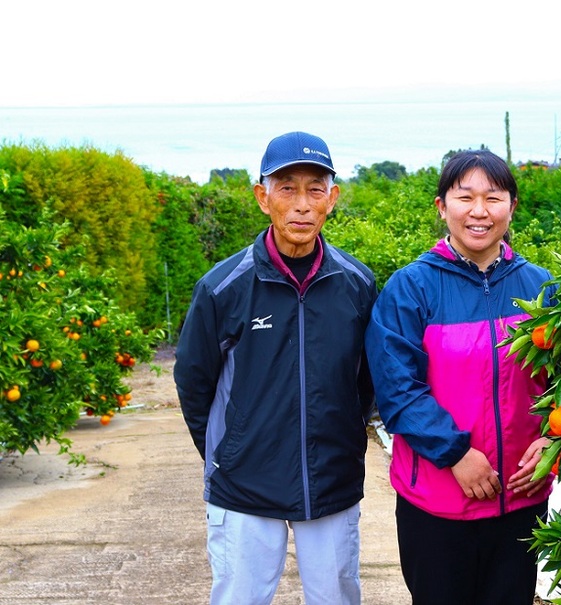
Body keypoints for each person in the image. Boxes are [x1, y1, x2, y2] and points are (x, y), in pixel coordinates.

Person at [174, 131, 377, 605]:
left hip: (331, 483)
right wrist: (232, 449)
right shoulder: (224, 286)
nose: (302, 204)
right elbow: (193, 380)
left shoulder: (357, 284)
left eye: (315, 188)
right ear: (262, 198)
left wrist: (343, 440)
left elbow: (365, 381)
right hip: (244, 486)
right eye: (287, 188)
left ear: (333, 198)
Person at [364, 149, 556, 605]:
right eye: (465, 197)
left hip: (521, 500)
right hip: (437, 501)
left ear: (512, 206)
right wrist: (454, 454)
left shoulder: (542, 288)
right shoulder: (411, 288)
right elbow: (396, 388)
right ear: (441, 206)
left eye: (493, 198)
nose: (479, 211)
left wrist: (554, 438)